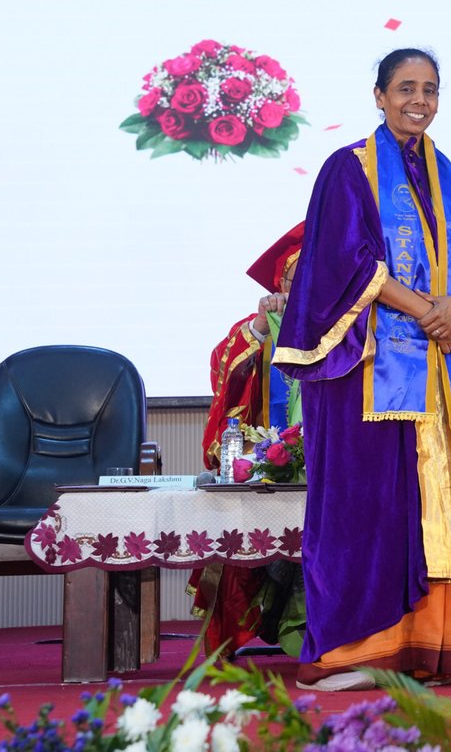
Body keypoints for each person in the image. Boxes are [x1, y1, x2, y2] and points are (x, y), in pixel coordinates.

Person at [272, 48, 451, 692]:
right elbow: (348, 262)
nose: (418, 100)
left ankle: (428, 646)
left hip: (442, 376)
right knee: (366, 514)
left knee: (435, 505)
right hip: (366, 377)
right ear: (379, 95)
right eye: (405, 88)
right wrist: (430, 310)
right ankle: (353, 653)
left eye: (430, 89)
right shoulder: (349, 170)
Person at [190, 223, 308, 658]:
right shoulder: (257, 327)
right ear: (279, 284)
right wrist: (261, 327)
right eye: (296, 277)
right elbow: (224, 372)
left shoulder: (347, 326)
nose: (306, 285)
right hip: (269, 461)